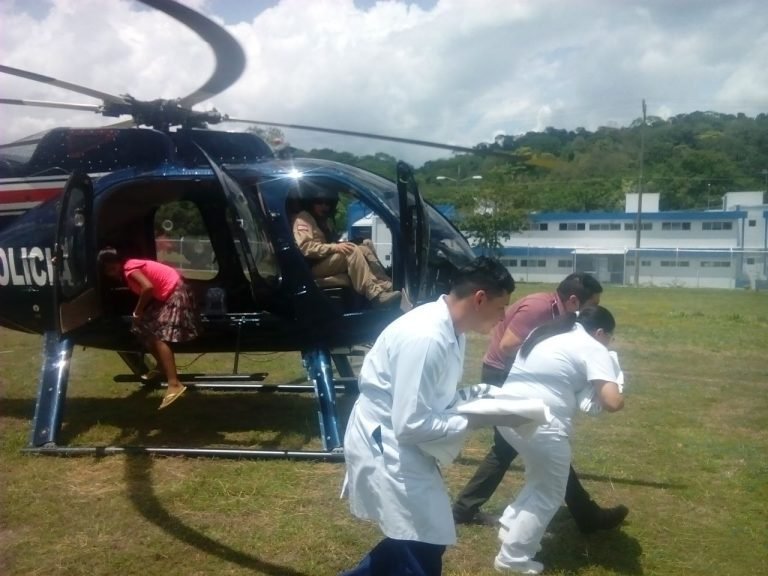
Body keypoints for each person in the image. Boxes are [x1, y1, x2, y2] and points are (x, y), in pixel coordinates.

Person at [340, 256, 515, 576]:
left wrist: (487, 397)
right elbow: (412, 424)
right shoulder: (427, 337)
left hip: (398, 438)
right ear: (479, 299)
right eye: (501, 307)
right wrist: (477, 419)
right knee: (421, 539)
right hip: (387, 440)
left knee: (419, 535)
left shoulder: (452, 329)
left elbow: (437, 396)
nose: (504, 317)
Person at [452, 272, 629, 533]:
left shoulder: (560, 315)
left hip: (524, 377)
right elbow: (507, 346)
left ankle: (586, 514)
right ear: (573, 301)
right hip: (507, 374)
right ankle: (464, 510)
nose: (594, 313)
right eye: (591, 306)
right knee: (521, 446)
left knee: (542, 445)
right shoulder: (539, 308)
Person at [492, 305, 625, 574]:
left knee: (539, 480)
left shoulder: (547, 332)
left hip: (506, 414)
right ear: (600, 332)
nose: (609, 342)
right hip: (542, 423)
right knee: (549, 494)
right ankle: (512, 559)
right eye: (610, 337)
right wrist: (619, 378)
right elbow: (612, 402)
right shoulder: (594, 346)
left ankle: (510, 527)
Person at [98, 248, 200, 410]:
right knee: (141, 328)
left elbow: (147, 288)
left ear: (118, 262)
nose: (112, 272)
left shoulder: (129, 269)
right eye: (108, 271)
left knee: (158, 336)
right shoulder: (127, 272)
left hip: (176, 291)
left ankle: (174, 384)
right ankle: (161, 366)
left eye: (112, 267)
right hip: (166, 295)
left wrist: (138, 311)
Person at [291, 187, 400, 307]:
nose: (324, 206)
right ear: (312, 202)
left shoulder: (326, 221)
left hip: (325, 261)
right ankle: (375, 296)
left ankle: (385, 284)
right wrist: (334, 248)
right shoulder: (304, 218)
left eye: (328, 203)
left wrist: (352, 242)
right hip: (313, 266)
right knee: (350, 250)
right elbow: (306, 248)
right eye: (319, 202)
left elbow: (331, 242)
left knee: (365, 245)